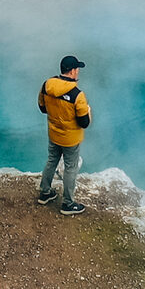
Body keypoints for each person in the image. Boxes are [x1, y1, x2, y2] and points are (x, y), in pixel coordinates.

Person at [37, 54, 92, 215]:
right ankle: (68, 203)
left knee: (52, 160)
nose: (78, 72)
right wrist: (88, 111)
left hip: (54, 133)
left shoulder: (47, 85)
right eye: (77, 69)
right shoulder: (77, 95)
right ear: (73, 71)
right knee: (70, 168)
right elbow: (84, 123)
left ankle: (45, 192)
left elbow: (42, 108)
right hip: (70, 139)